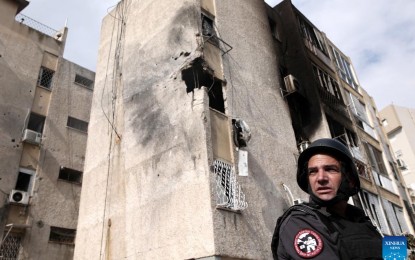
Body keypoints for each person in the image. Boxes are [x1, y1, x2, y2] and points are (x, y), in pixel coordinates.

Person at [271, 138, 383, 259]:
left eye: (330, 169)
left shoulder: (361, 219)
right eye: (313, 172)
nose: (321, 178)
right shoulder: (299, 221)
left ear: (350, 180)